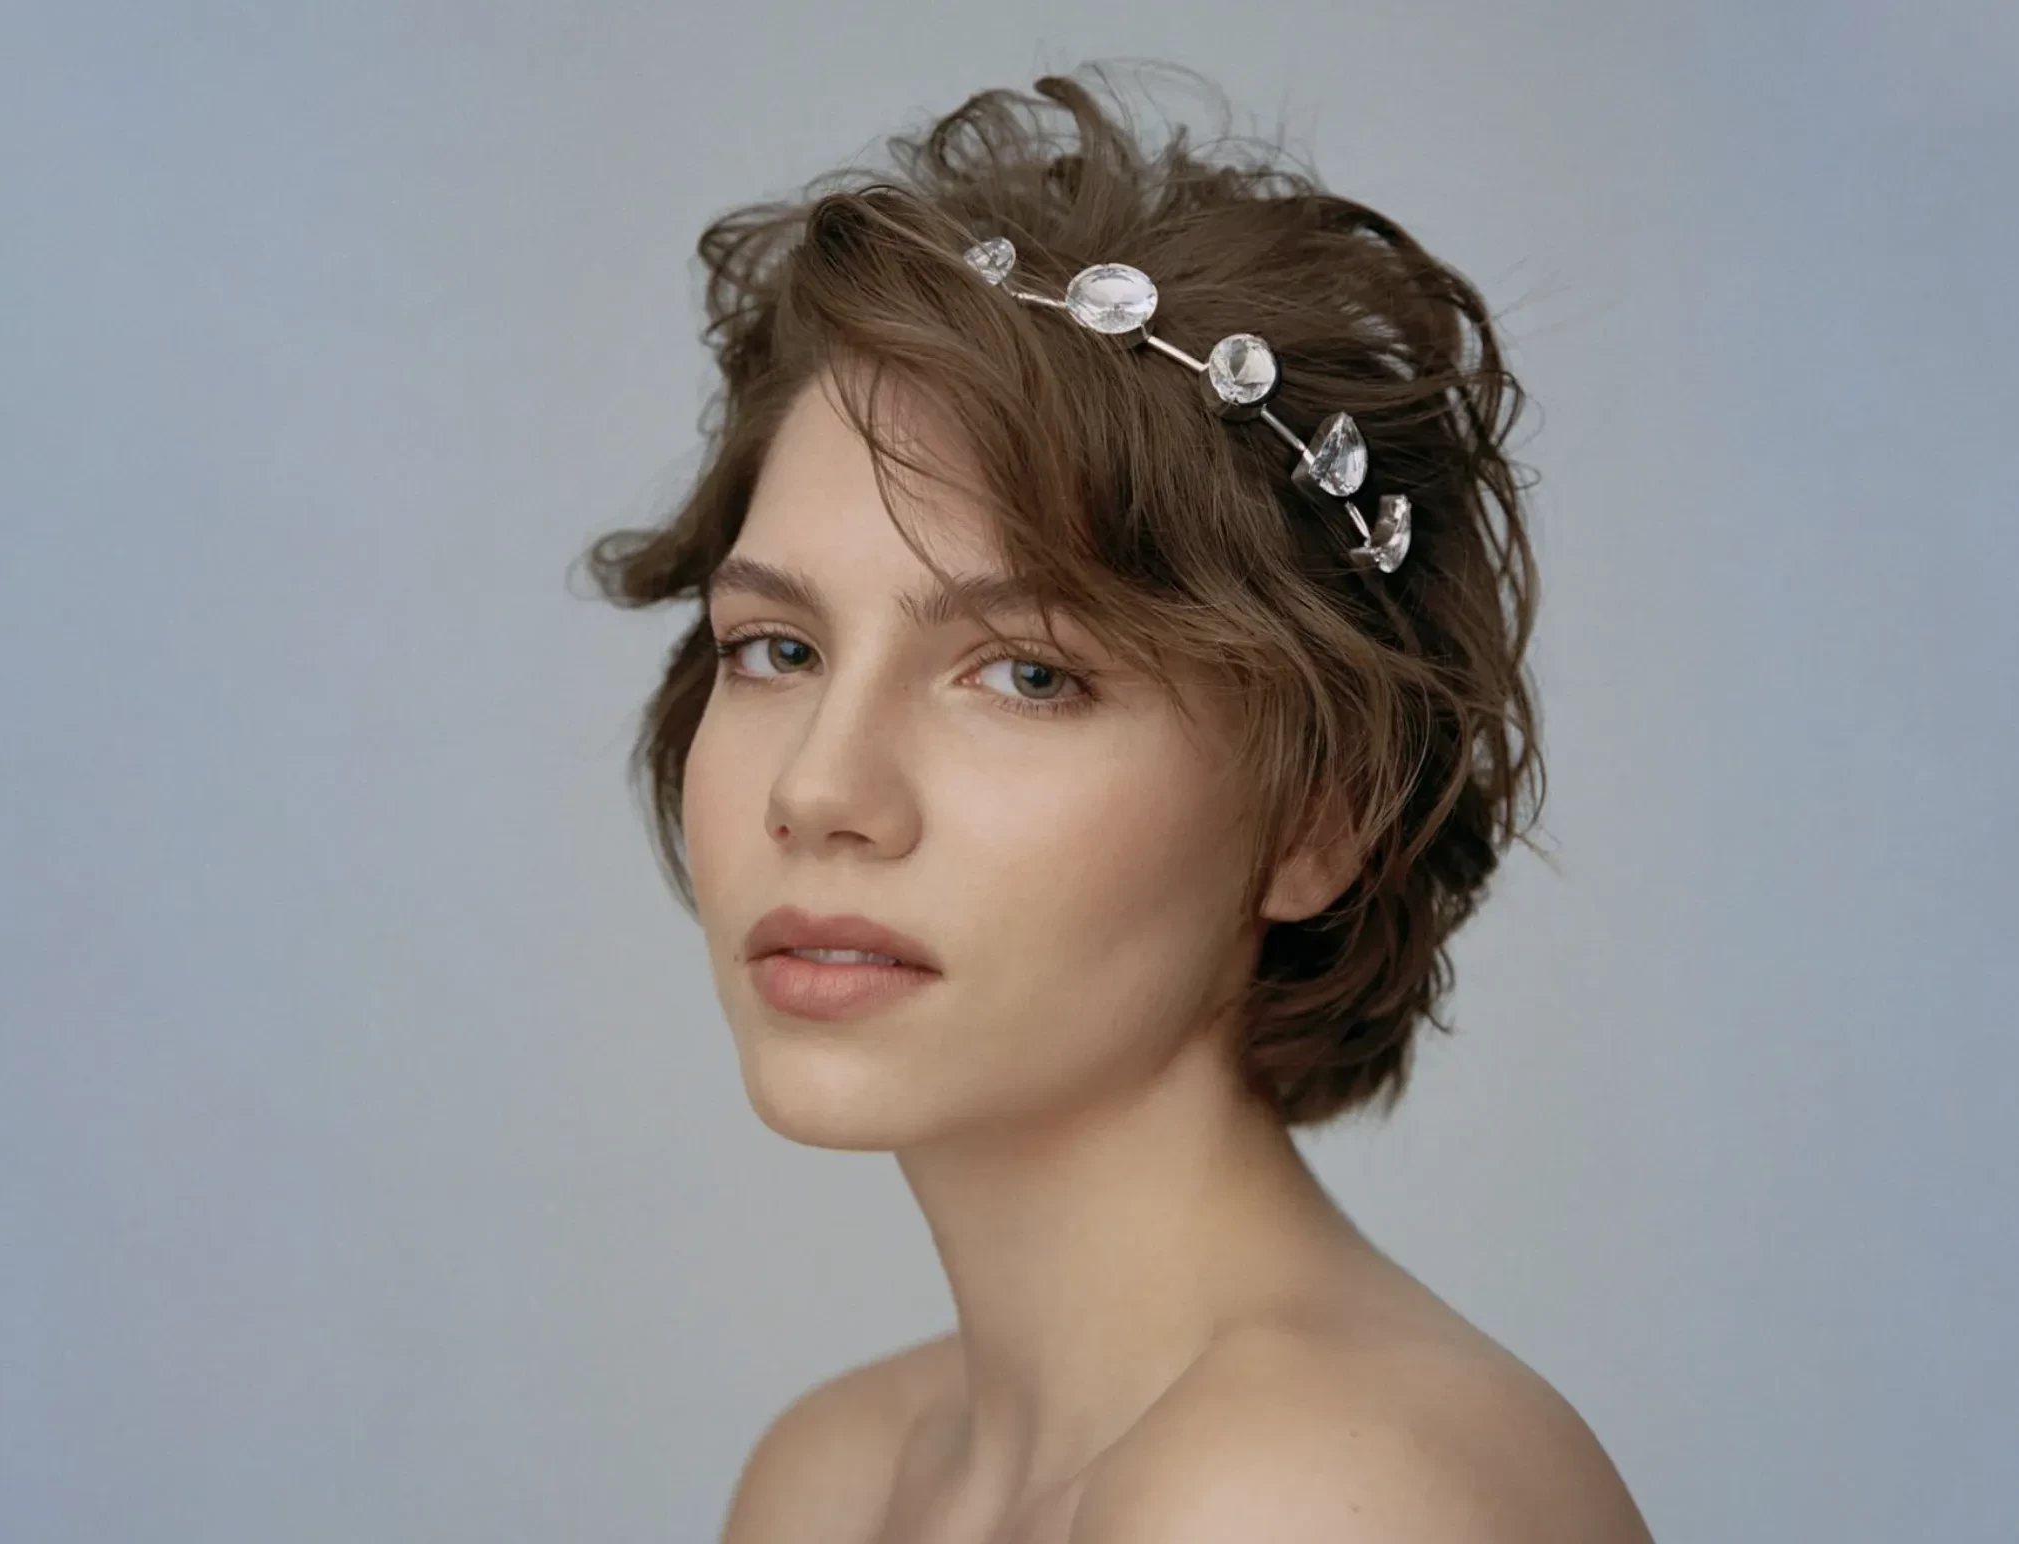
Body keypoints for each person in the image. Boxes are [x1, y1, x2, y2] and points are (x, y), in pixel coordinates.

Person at [583, 63, 1653, 1544]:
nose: (820, 789)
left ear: (1317, 815)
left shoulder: (1310, 1501)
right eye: (778, 649)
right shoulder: (832, 1482)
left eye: (1027, 675)